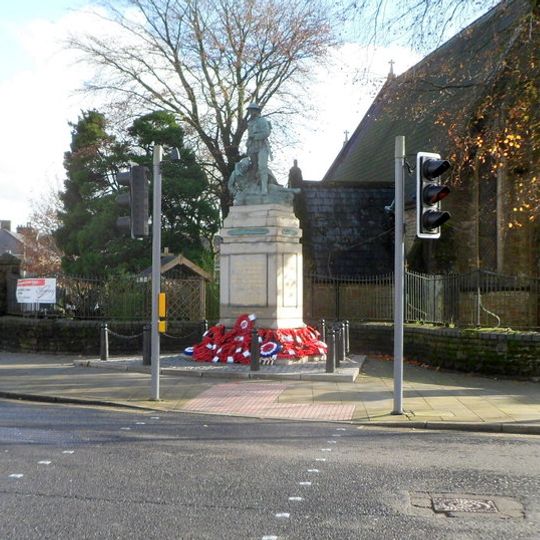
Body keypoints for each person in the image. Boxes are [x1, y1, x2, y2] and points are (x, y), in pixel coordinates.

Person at [246, 103, 272, 194]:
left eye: (252, 110)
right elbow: (249, 136)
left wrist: (255, 136)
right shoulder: (250, 123)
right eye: (249, 110)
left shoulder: (262, 120)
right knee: (253, 168)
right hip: (252, 147)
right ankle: (254, 187)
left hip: (262, 146)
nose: (250, 112)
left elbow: (266, 133)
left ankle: (264, 188)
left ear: (256, 111)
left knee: (262, 166)